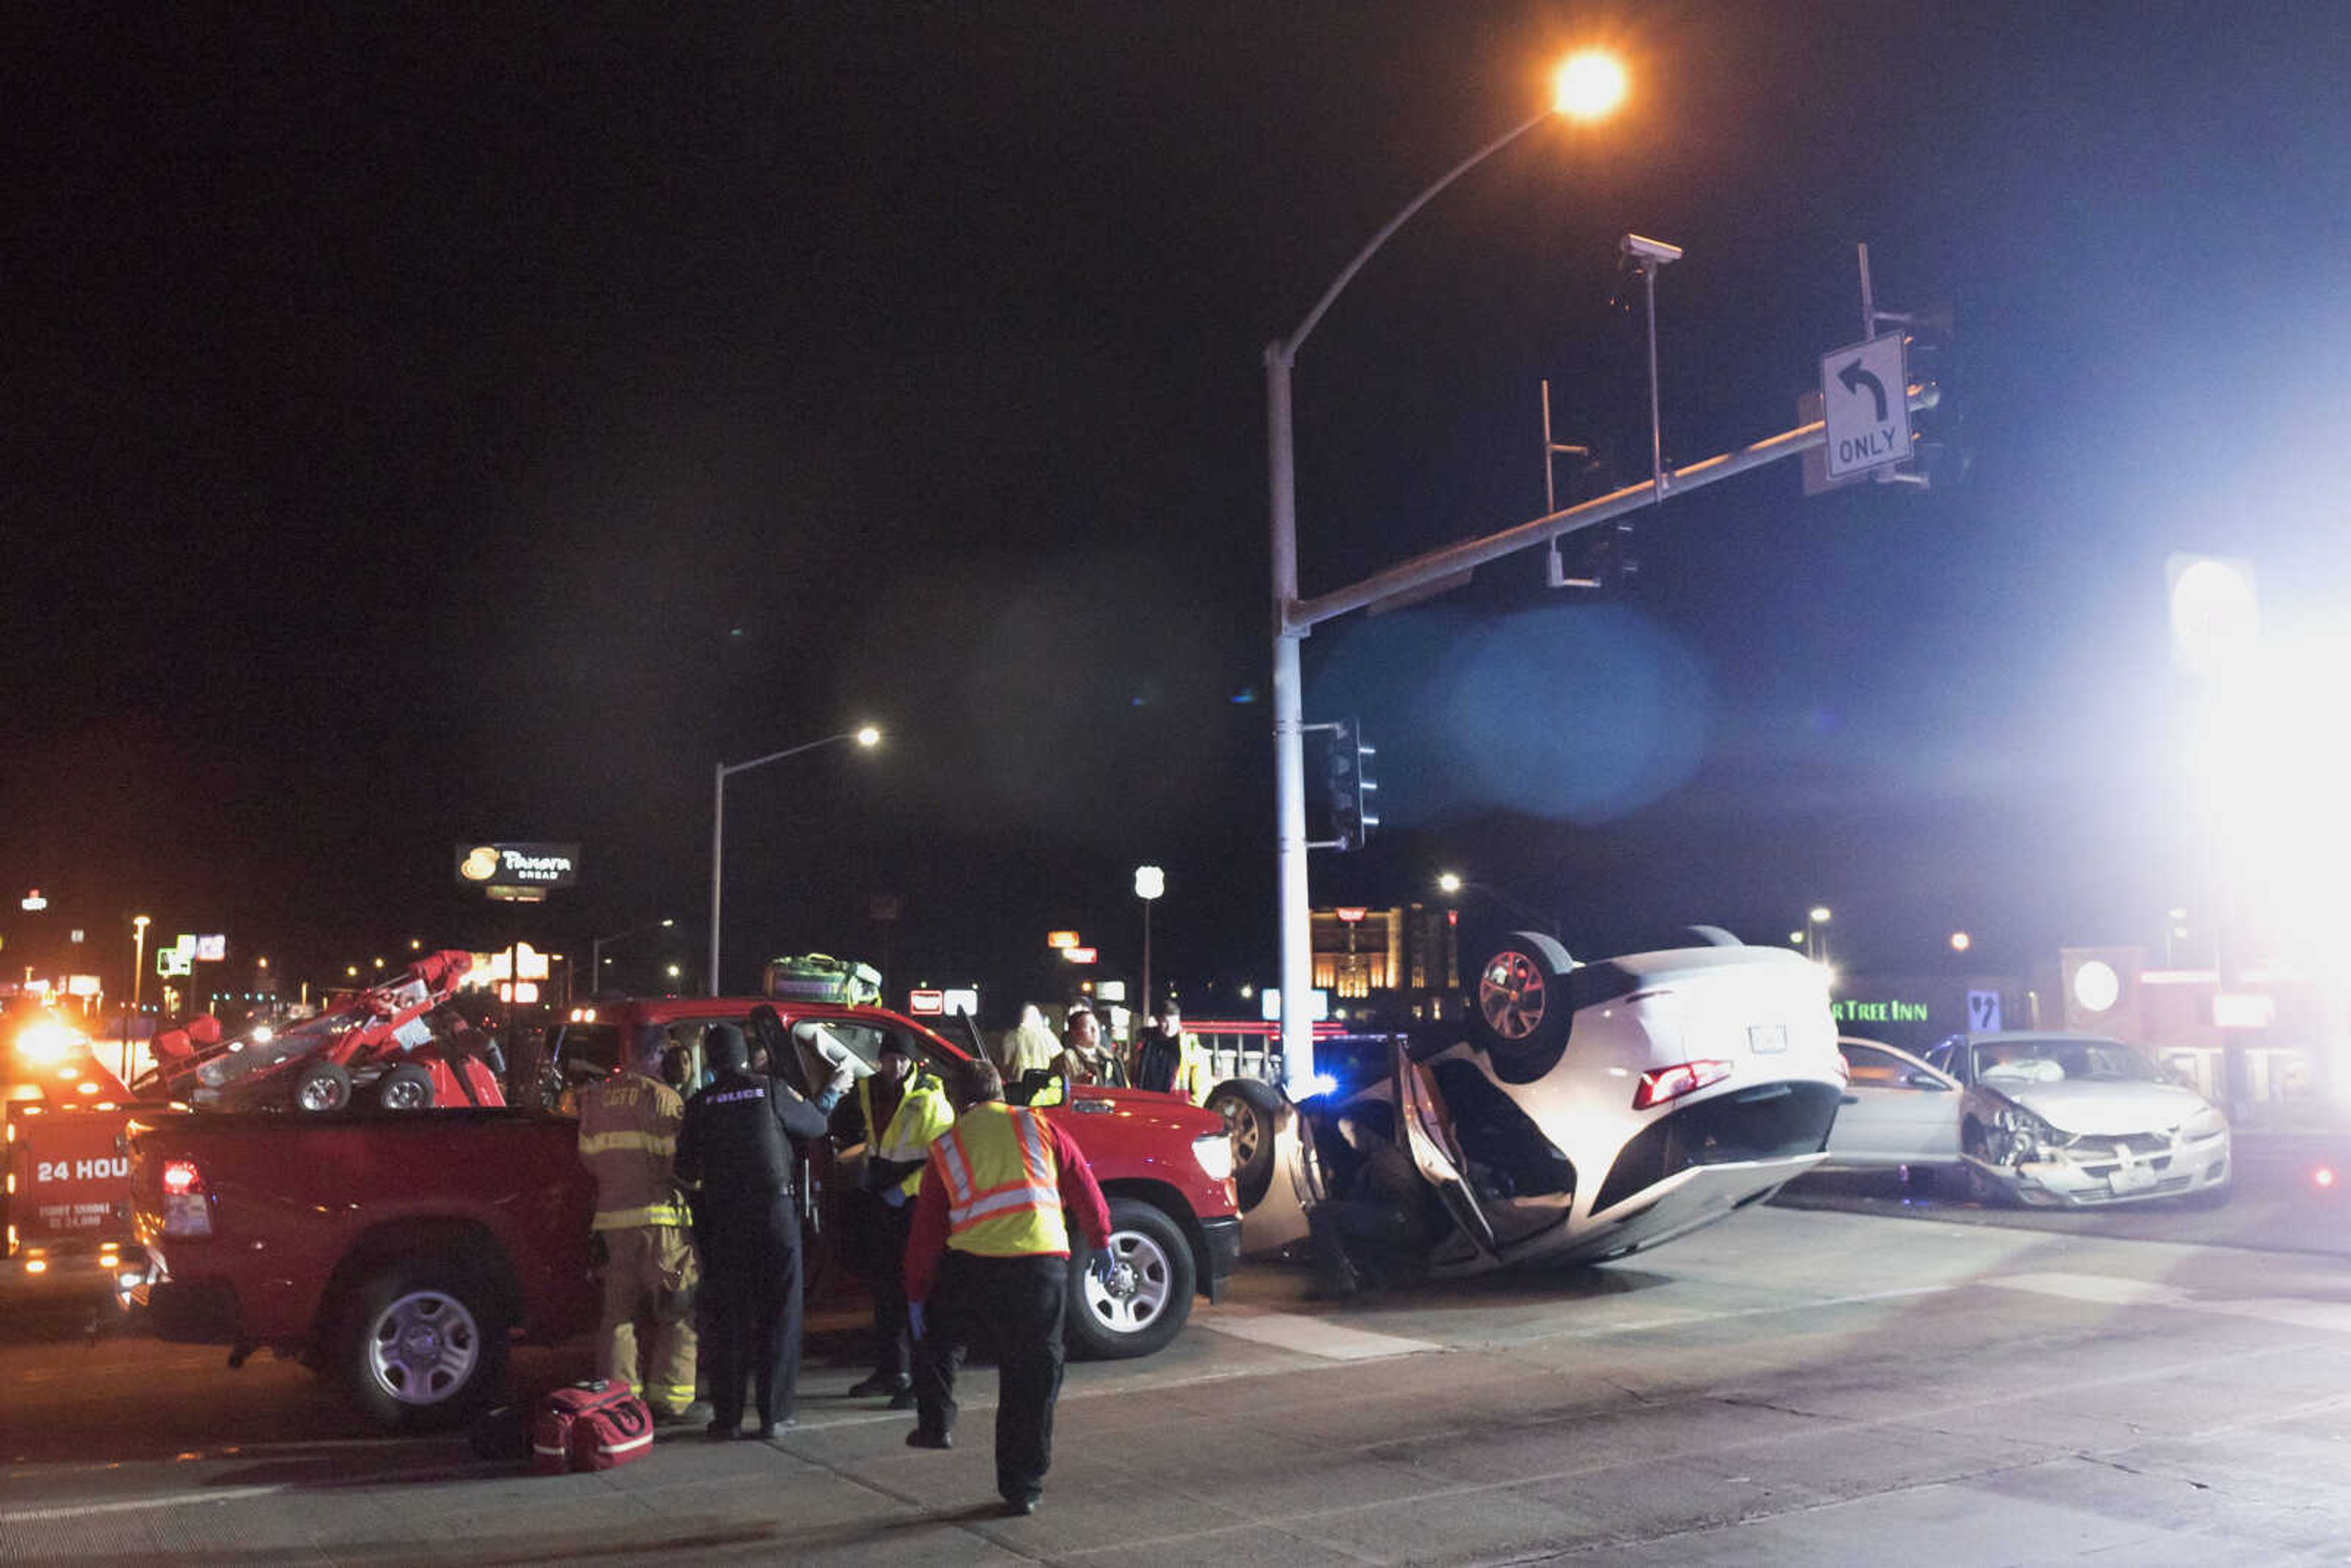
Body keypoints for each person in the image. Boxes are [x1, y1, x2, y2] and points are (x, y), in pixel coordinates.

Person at [902, 1056, 1112, 1517]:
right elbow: (1081, 1180)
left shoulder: (947, 1145)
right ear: (1001, 1091)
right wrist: (1100, 1237)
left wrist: (916, 1292)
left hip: (974, 1266)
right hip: (1041, 1266)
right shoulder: (1038, 1124)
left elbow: (926, 1233)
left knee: (937, 1336)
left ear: (960, 1102)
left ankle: (936, 1422)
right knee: (1032, 1375)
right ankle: (1024, 1485)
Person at [673, 1019, 853, 1441]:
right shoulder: (770, 1089)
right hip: (774, 1217)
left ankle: (728, 1419)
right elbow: (816, 1125)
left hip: (724, 1222)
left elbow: (683, 1170)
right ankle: (774, 1415)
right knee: (780, 1315)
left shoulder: (701, 1102)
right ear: (743, 1053)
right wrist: (833, 1090)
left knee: (728, 1318)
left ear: (711, 1060)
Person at [576, 1024, 702, 1424]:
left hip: (613, 1222)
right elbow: (681, 1165)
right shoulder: (663, 1098)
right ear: (658, 1055)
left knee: (618, 1316)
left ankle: (618, 1400)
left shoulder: (596, 1099)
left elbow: (590, 1158)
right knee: (677, 1311)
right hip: (662, 1223)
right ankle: (673, 1400)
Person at [843, 1038, 956, 1406]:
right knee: (885, 1290)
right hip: (881, 1198)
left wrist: (904, 1190)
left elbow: (940, 1161)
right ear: (880, 1060)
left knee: (915, 1294)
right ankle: (891, 1370)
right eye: (891, 1059)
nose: (897, 1067)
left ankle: (916, 1381)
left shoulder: (929, 1098)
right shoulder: (867, 1090)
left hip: (914, 1203)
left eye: (903, 1060)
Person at [1306, 1111, 1433, 1297]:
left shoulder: (1387, 1159)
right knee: (1340, 1217)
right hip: (1403, 1220)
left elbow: (1394, 1196)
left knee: (1321, 1214)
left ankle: (1339, 1280)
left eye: (1349, 1135)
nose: (1349, 1141)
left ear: (1363, 1132)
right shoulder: (1384, 1157)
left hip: (1399, 1219)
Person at [1127, 997, 1211, 1103]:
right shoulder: (1143, 1045)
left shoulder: (1192, 1048)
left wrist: (1191, 1110)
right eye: (1165, 1022)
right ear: (1158, 1021)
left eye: (1174, 1022)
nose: (1170, 1027)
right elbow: (1129, 1076)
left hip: (1176, 1111)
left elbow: (1203, 1088)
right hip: (1145, 1106)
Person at [1051, 1002, 1127, 1089]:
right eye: (1088, 1026)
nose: (1095, 1030)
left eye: (1096, 1025)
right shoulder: (1066, 1060)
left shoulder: (1112, 1059)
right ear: (1074, 1032)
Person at [994, 1003, 1060, 1081]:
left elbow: (1002, 1065)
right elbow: (1059, 1059)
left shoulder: (1010, 1037)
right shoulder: (1048, 1036)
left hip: (1016, 1087)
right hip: (1042, 1087)